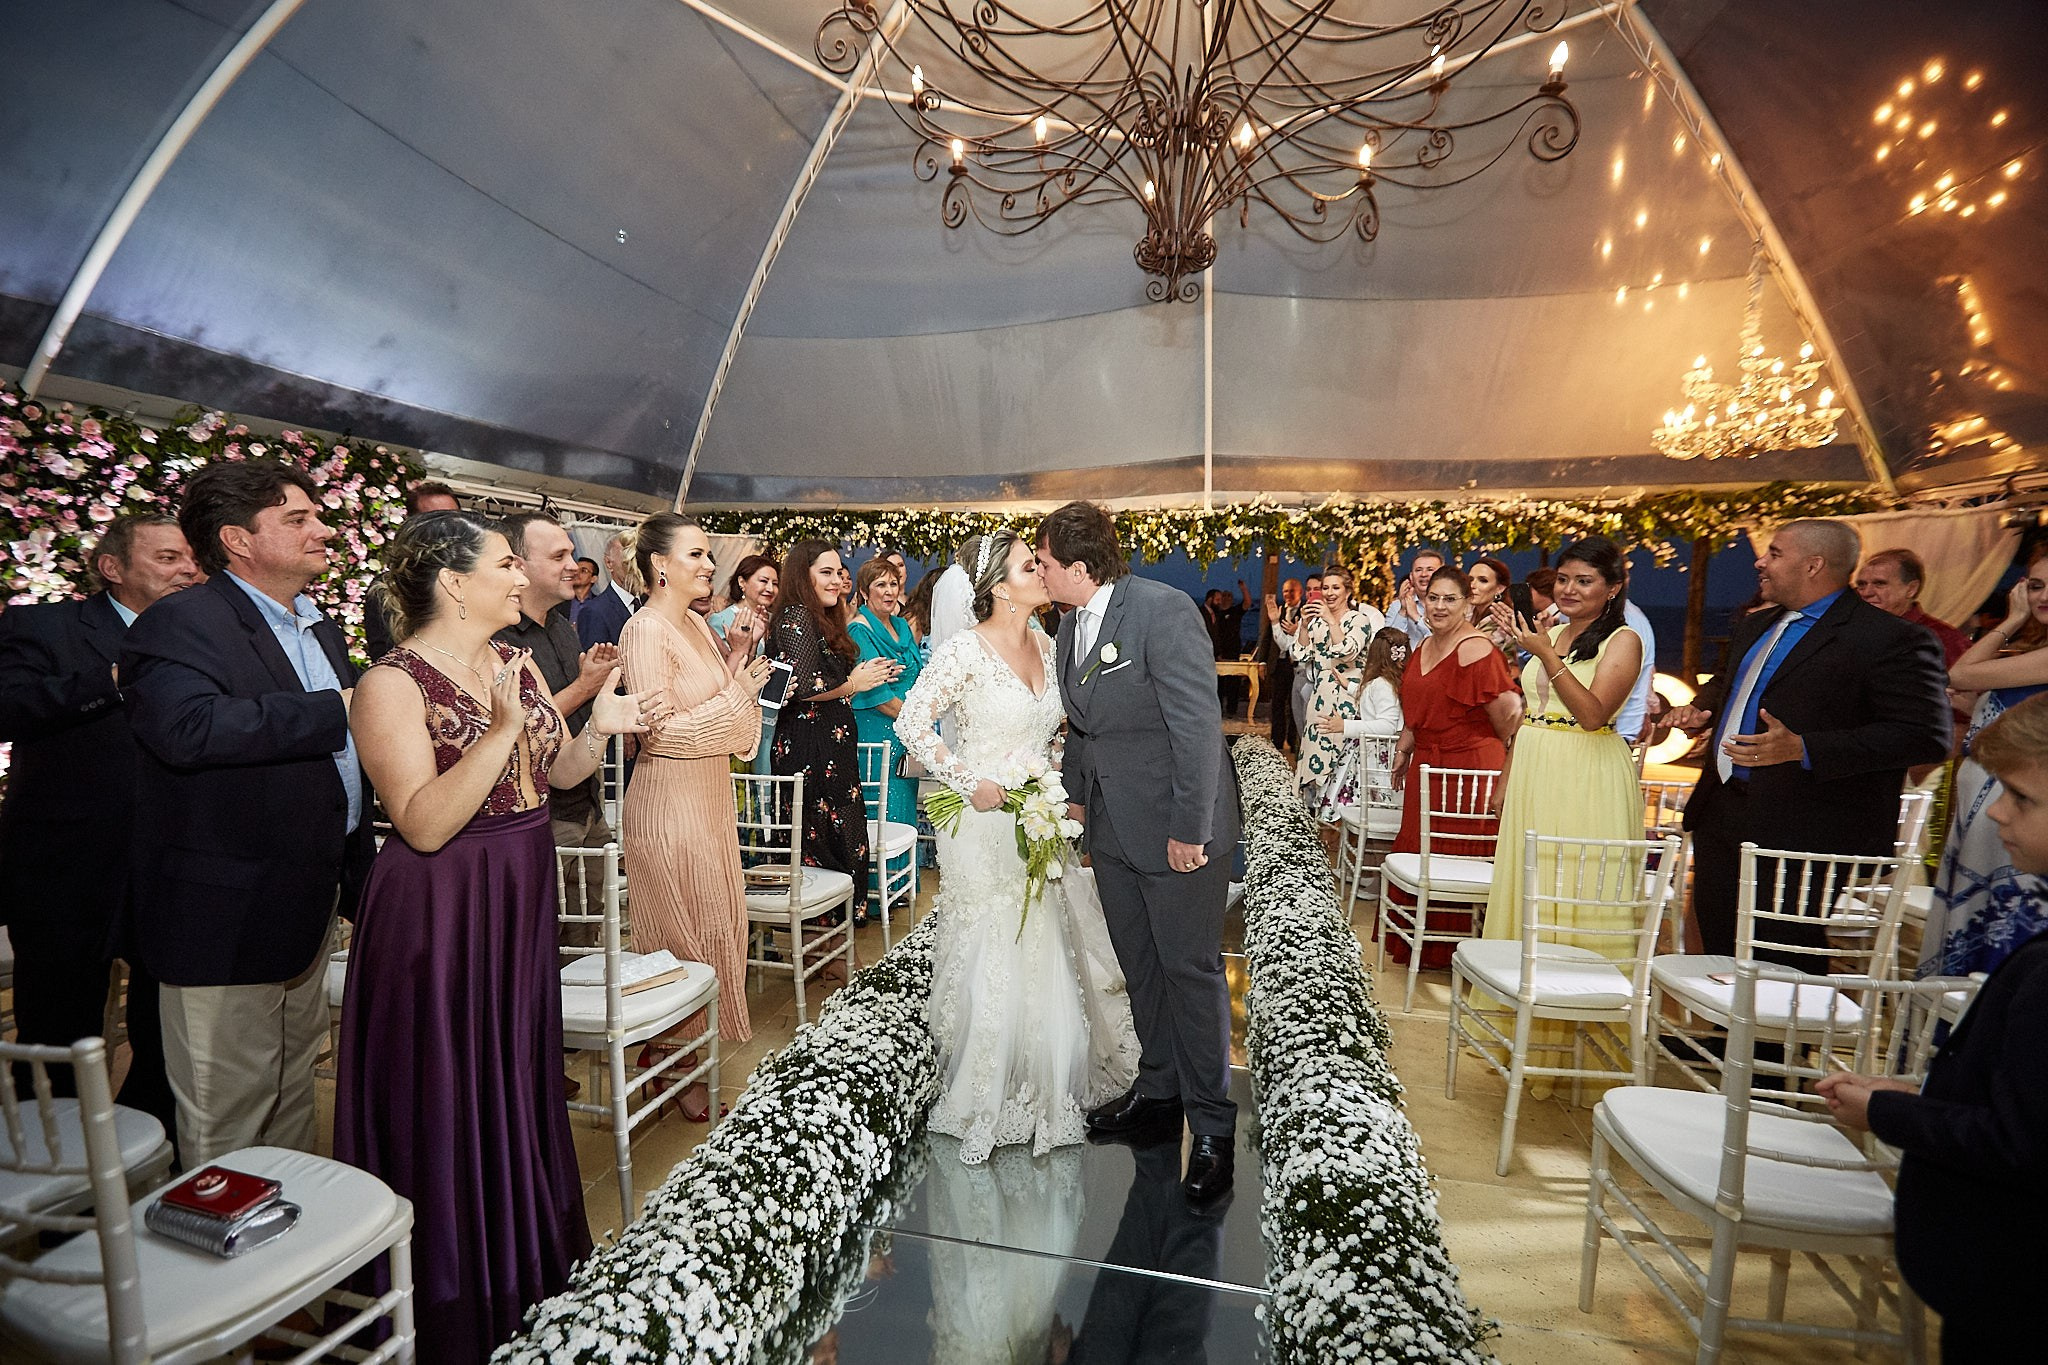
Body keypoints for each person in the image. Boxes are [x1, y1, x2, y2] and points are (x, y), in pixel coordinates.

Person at [337, 511, 656, 1364]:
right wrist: (507, 727)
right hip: (439, 907)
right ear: (453, 582)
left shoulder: (513, 661)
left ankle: (525, 1265)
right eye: (506, 565)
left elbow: (556, 774)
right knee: (446, 1088)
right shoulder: (390, 686)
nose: (523, 579)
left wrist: (600, 727)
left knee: (513, 1077)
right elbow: (423, 821)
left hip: (517, 891)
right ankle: (449, 1291)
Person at [121, 460, 376, 1166]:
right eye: (297, 519)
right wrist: (339, 709)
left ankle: (290, 1248)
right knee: (228, 1110)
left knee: (294, 1088)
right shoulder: (181, 622)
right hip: (224, 916)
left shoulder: (318, 629)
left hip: (305, 901)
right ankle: (228, 1264)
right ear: (237, 538)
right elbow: (188, 729)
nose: (322, 529)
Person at [1817, 689, 2048, 1362]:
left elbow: (2019, 1143)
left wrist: (1888, 1111)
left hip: (2010, 1285)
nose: (1997, 811)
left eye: (2022, 797)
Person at [895, 531, 1140, 1163]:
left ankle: (1045, 1081)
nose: (1042, 572)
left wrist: (1053, 780)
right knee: (995, 941)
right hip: (977, 823)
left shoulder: (1049, 643)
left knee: (1045, 939)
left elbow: (1057, 730)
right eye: (1029, 566)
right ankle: (985, 1090)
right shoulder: (962, 652)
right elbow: (911, 723)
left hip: (1036, 815)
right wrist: (966, 780)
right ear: (1000, 588)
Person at [1038, 501, 1240, 1204]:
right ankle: (1158, 1095)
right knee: (1140, 963)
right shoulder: (1068, 625)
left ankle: (1213, 1128)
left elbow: (1196, 725)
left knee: (1190, 970)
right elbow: (1085, 729)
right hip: (1115, 832)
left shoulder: (1162, 610)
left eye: (1044, 561)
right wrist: (1074, 800)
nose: (1037, 570)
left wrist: (1193, 827)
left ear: (1079, 567)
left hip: (1177, 829)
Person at [1664, 519, 1950, 959]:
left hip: (1807, 824)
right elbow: (1727, 682)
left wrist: (1805, 748)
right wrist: (1702, 710)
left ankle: (1775, 1032)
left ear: (1814, 565)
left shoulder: (1892, 638)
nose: (1760, 561)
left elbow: (1924, 736)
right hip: (1721, 810)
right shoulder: (1756, 625)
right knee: (1718, 944)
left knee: (1783, 957)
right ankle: (1720, 1029)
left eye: (1774, 553)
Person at [0, 514, 198, 1132]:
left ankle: (142, 1164)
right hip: (65, 871)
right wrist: (111, 680)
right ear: (113, 569)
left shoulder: (203, 637)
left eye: (192, 560)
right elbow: (9, 709)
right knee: (59, 1034)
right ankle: (57, 1188)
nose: (188, 571)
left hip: (170, 867)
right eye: (169, 559)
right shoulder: (43, 626)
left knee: (165, 1035)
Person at [615, 515, 778, 1118]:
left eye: (710, 555)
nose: (710, 566)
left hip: (709, 797)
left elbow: (737, 733)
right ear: (660, 565)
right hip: (669, 803)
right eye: (697, 555)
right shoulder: (646, 630)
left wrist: (737, 662)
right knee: (678, 935)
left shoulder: (697, 625)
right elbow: (662, 734)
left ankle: (679, 1058)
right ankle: (670, 1064)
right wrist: (737, 695)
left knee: (716, 924)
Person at [1480, 538, 1645, 1090]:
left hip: (1586, 772)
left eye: (1585, 582)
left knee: (1575, 890)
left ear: (1612, 589)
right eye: (1566, 580)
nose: (1571, 591)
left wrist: (1546, 656)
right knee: (1529, 888)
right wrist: (1506, 777)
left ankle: (1576, 1035)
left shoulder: (1625, 640)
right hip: (1535, 765)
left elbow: (1594, 713)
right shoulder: (1548, 633)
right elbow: (1530, 712)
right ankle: (1524, 1028)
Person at [490, 513, 623, 931]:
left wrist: (599, 686)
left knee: (588, 938)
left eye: (572, 552)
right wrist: (585, 687)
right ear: (520, 565)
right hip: (542, 815)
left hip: (586, 802)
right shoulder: (499, 639)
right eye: (560, 555)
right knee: (547, 940)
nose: (573, 564)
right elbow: (522, 722)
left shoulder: (564, 628)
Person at [1384, 566, 1521, 968]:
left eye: (1450, 599)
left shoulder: (1477, 649)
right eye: (1433, 598)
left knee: (1454, 859)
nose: (1440, 606)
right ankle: (1422, 946)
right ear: (1422, 601)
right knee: (1421, 853)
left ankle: (1455, 952)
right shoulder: (1425, 644)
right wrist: (1405, 747)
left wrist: (1503, 777)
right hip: (1426, 763)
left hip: (1469, 770)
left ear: (1467, 603)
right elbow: (1418, 708)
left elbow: (1508, 723)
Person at [1922, 546, 2048, 977]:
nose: (2042, 596)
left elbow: (1957, 673)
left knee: (2003, 919)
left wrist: (2010, 622)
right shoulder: (2034, 652)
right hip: (1985, 809)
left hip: (2020, 810)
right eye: (2035, 586)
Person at [769, 540, 897, 928]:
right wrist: (853, 685)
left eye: (839, 572)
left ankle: (836, 945)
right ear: (801, 575)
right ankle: (816, 947)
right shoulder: (794, 617)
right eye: (825, 572)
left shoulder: (820, 616)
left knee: (845, 841)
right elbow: (801, 685)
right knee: (819, 846)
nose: (837, 579)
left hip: (831, 746)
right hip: (808, 750)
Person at [1288, 564, 1386, 800]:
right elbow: (1299, 655)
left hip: (1347, 699)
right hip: (1320, 698)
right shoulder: (1317, 622)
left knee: (1341, 761)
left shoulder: (1359, 620)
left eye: (1335, 587)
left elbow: (1347, 652)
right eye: (1325, 588)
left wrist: (1332, 621)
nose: (1329, 593)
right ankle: (1316, 814)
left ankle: (1340, 817)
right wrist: (1303, 625)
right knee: (1314, 760)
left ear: (1348, 592)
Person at [849, 555, 925, 845]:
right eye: (880, 584)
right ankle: (879, 885)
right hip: (878, 727)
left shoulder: (902, 626)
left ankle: (902, 886)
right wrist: (915, 721)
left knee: (904, 803)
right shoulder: (859, 629)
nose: (889, 591)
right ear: (865, 592)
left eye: (893, 583)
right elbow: (876, 693)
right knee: (882, 807)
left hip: (904, 729)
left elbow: (916, 672)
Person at [1310, 626, 1409, 825]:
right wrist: (1350, 686)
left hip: (1374, 756)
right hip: (1373, 750)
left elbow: (1387, 725)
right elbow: (1374, 700)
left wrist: (1345, 726)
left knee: (1363, 808)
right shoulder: (1395, 681)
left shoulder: (1382, 684)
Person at [364, 480, 461, 658]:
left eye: (454, 518)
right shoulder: (388, 589)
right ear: (413, 526)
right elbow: (385, 657)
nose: (448, 528)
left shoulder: (476, 576)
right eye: (436, 520)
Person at [709, 552, 780, 772]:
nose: (770, 588)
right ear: (742, 582)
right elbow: (724, 672)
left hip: (771, 713)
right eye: (763, 581)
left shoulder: (775, 620)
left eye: (775, 583)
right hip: (737, 712)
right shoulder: (721, 620)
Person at [1856, 548, 1975, 668]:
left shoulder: (1943, 639)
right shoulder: (1851, 632)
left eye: (1879, 583)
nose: (1866, 592)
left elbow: (1971, 683)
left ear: (1911, 589)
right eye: (1861, 585)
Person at [1259, 572, 1305, 752]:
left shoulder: (1305, 612)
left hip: (1295, 666)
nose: (1287, 594)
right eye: (1285, 591)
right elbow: (1267, 637)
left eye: (1291, 591)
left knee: (1294, 706)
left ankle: (1294, 742)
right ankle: (1276, 741)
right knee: (1277, 705)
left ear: (1299, 592)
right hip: (1278, 666)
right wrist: (1262, 662)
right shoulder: (1277, 611)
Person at [575, 533, 638, 649]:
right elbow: (596, 664)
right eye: (628, 560)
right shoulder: (594, 611)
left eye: (638, 558)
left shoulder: (649, 603)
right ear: (609, 563)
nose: (635, 566)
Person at [1201, 581, 1252, 716]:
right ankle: (1217, 710)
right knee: (1217, 684)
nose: (1226, 599)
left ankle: (1231, 710)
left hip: (1233, 651)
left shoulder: (1235, 611)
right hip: (1218, 652)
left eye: (1230, 596)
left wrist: (1243, 589)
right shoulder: (1215, 613)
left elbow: (1247, 603)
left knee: (1233, 684)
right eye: (1224, 596)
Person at [1385, 548, 1446, 645]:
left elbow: (1443, 642)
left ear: (1443, 575)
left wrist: (1416, 617)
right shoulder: (1396, 606)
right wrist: (1403, 610)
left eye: (1430, 570)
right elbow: (1388, 644)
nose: (1423, 574)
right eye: (1418, 570)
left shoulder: (1449, 606)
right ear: (1411, 577)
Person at [1467, 557, 1514, 652]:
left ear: (1499, 589)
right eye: (1470, 579)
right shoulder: (1470, 613)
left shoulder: (1499, 620)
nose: (1472, 585)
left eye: (1483, 580)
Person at [567, 556, 599, 625]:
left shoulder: (599, 604)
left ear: (593, 579)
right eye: (575, 570)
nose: (576, 573)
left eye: (583, 571)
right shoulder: (561, 601)